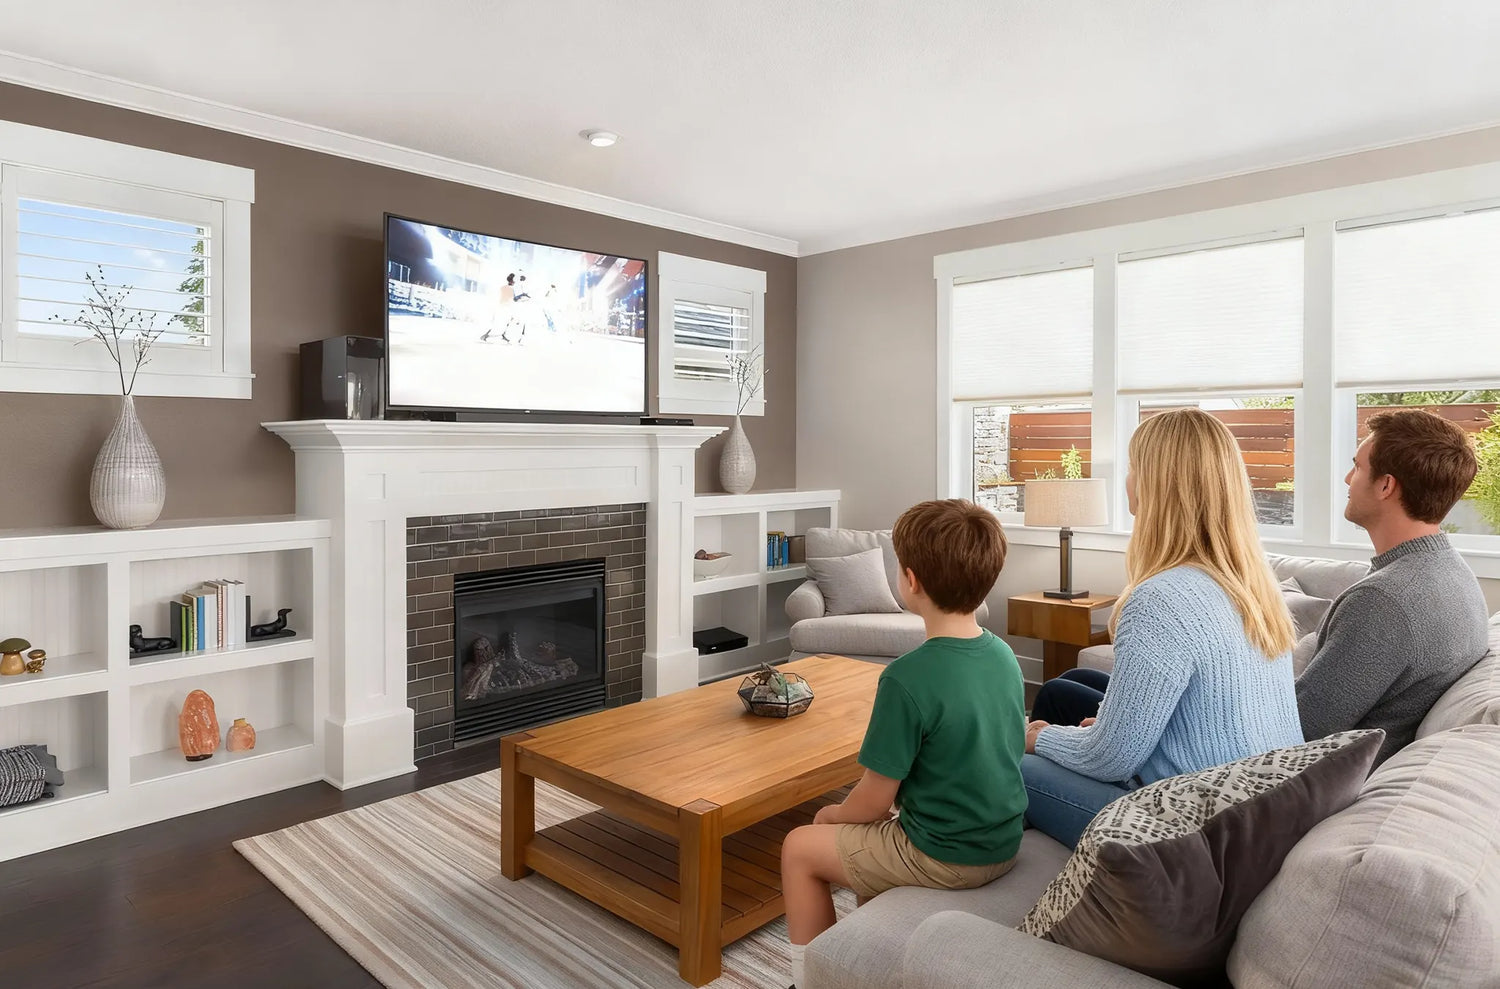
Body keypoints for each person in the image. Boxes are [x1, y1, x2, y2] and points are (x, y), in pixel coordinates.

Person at [1022, 408, 1304, 849]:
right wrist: (1114, 733)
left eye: (1134, 468)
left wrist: (1040, 738)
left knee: (1011, 762)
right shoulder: (1250, 582)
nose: (1127, 481)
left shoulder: (1160, 599)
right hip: (1254, 809)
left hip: (1189, 828)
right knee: (1067, 687)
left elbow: (1110, 758)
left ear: (1157, 484)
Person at [779, 499, 1026, 989]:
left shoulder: (906, 678)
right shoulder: (1003, 655)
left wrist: (829, 816)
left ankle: (812, 980)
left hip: (948, 853)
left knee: (800, 847)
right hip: (1003, 840)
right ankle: (865, 955)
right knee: (870, 837)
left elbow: (873, 799)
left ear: (910, 581)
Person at [1296, 409, 1488, 765]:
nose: (1347, 478)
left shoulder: (1383, 602)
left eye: (1358, 467)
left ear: (1386, 485)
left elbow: (1297, 731)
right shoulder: (1454, 571)